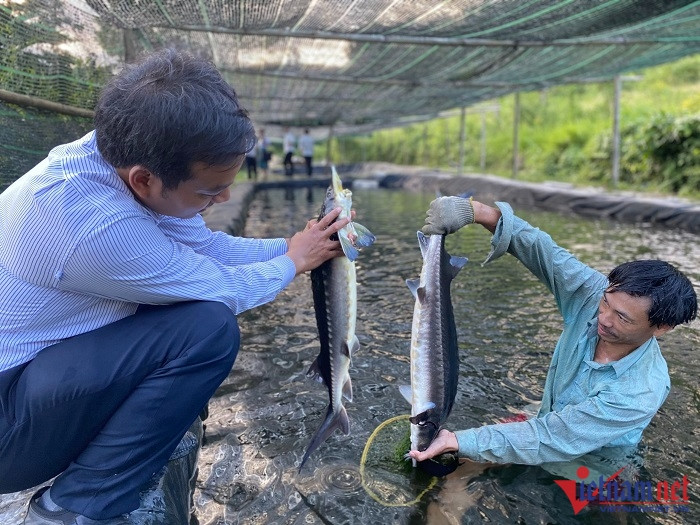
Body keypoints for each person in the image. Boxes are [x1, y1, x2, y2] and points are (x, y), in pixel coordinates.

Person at [0, 48, 352, 524]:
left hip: (35, 380)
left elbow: (205, 249)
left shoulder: (117, 156)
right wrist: (293, 263)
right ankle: (79, 504)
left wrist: (295, 247)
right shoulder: (94, 225)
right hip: (8, 426)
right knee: (207, 328)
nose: (225, 198)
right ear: (145, 180)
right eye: (209, 192)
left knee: (186, 311)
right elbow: (217, 286)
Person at [409, 196, 697, 468]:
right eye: (605, 303)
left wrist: (458, 440)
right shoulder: (594, 295)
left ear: (661, 328)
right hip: (546, 419)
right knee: (451, 475)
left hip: (592, 458)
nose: (603, 319)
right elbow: (545, 253)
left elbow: (551, 438)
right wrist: (479, 212)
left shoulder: (639, 392)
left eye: (622, 318)